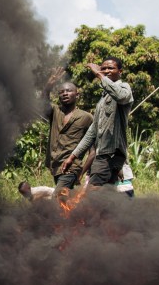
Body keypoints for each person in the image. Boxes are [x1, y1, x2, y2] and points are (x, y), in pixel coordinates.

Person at [61, 58, 133, 186]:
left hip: (110, 155)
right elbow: (92, 132)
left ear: (120, 71)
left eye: (110, 68)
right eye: (103, 68)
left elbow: (120, 96)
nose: (106, 71)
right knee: (105, 198)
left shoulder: (124, 87)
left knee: (91, 196)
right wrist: (72, 157)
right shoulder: (103, 98)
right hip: (102, 155)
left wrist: (99, 75)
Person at [43, 72, 93, 193]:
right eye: (61, 92)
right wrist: (48, 87)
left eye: (69, 91)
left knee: (57, 197)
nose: (65, 93)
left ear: (77, 95)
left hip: (72, 167)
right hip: (55, 167)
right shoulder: (55, 112)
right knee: (65, 203)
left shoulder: (86, 117)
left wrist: (81, 172)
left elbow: (93, 151)